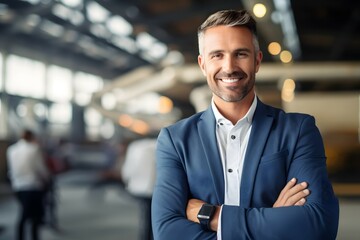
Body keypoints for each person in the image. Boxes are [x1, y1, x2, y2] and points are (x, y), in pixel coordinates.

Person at [151, 9, 339, 240]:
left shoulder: (298, 130)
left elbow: (318, 224)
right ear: (202, 64)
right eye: (217, 55)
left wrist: (211, 216)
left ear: (257, 61)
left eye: (240, 54)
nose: (229, 67)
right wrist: (272, 219)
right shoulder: (175, 140)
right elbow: (167, 232)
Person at [7, 129, 50, 240]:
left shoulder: (11, 150)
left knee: (24, 213)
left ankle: (20, 237)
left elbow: (11, 169)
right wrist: (48, 179)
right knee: (34, 217)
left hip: (18, 187)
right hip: (33, 186)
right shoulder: (34, 149)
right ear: (32, 137)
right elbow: (41, 169)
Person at [122, 138, 157, 240]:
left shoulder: (134, 146)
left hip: (138, 188)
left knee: (146, 216)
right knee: (152, 217)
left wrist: (127, 181)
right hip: (153, 189)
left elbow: (127, 169)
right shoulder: (157, 145)